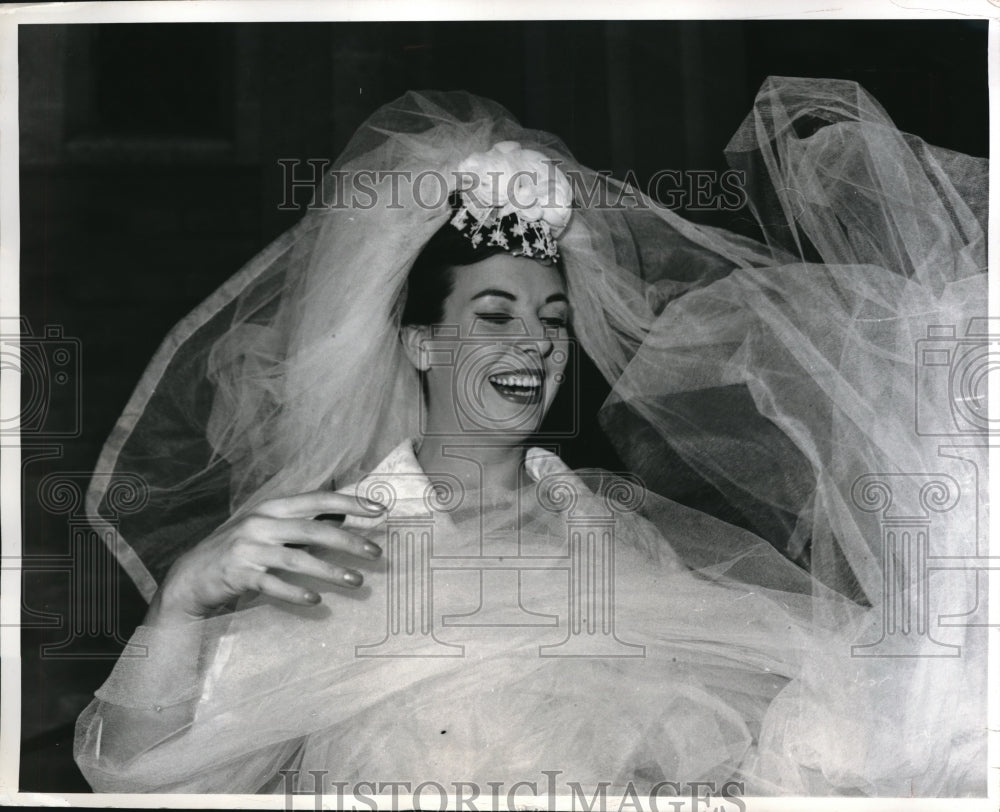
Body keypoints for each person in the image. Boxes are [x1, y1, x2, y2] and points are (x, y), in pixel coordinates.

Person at [74, 78, 987, 798]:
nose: (532, 346)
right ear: (422, 341)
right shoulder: (333, 545)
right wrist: (183, 604)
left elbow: (737, 751)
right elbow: (130, 769)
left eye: (553, 319)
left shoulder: (613, 533)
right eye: (496, 314)